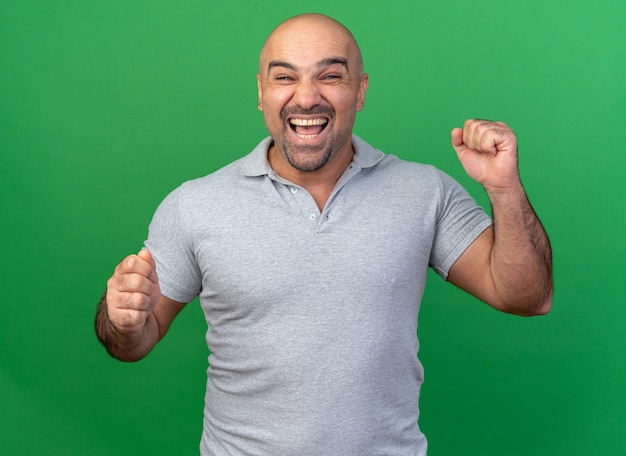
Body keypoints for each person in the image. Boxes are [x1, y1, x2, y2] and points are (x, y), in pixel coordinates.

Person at [95, 13, 553, 456]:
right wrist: (124, 320)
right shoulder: (195, 204)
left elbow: (527, 297)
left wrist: (503, 188)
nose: (306, 97)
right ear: (261, 91)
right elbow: (134, 342)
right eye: (285, 78)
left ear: (360, 91)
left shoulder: (423, 192)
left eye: (330, 76)